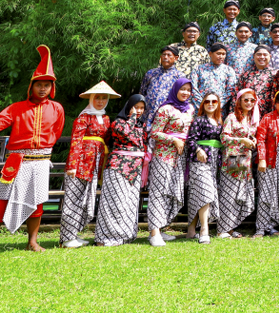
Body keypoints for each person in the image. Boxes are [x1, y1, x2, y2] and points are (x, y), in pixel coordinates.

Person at [0, 46, 65, 255]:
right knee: (1, 201)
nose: (43, 89)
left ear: (52, 88)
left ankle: (32, 242)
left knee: (37, 202)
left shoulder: (57, 108)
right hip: (16, 162)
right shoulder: (16, 108)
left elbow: (56, 132)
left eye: (47, 85)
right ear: (31, 86)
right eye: (39, 85)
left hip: (41, 162)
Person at [59, 81, 118, 248]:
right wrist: (72, 165)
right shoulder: (83, 117)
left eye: (104, 98)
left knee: (85, 199)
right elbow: (76, 141)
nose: (100, 101)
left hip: (95, 164)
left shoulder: (106, 119)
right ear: (91, 99)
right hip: (80, 163)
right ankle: (66, 238)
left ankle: (74, 234)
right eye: (97, 97)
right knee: (73, 198)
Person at [94, 94, 147, 247]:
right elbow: (125, 133)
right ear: (129, 107)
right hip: (118, 167)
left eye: (142, 108)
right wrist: (132, 117)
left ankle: (125, 235)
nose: (139, 111)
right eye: (136, 107)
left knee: (129, 203)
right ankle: (105, 237)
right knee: (114, 202)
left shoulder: (142, 125)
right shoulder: (118, 123)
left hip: (135, 169)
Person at [147, 77, 193, 247]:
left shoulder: (190, 109)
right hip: (163, 155)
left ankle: (161, 227)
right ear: (175, 90)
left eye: (188, 90)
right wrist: (173, 140)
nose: (185, 92)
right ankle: (154, 233)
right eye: (182, 89)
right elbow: (154, 132)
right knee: (159, 191)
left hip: (180, 157)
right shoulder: (165, 109)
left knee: (173, 190)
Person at [215, 87, 259, 238]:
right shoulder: (232, 117)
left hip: (246, 161)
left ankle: (231, 228)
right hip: (233, 159)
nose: (249, 103)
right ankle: (222, 229)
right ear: (239, 101)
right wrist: (241, 140)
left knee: (240, 194)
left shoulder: (251, 118)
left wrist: (252, 140)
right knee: (229, 194)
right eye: (246, 100)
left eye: (252, 100)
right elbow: (224, 138)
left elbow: (249, 135)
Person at [184, 91, 224, 244]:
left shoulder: (219, 121)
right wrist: (198, 150)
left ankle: (191, 230)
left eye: (214, 101)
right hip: (199, 162)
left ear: (218, 104)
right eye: (207, 101)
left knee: (199, 195)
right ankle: (204, 230)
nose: (211, 104)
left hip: (213, 163)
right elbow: (190, 140)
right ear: (203, 104)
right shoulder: (199, 120)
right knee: (206, 193)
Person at [253, 89, 279, 237]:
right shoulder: (268, 118)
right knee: (266, 194)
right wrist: (262, 159)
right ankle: (260, 228)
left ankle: (272, 225)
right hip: (269, 160)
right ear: (275, 102)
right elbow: (260, 139)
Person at [139, 46, 181, 131]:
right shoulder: (151, 73)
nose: (165, 57)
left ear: (176, 58)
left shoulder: (179, 77)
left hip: (164, 117)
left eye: (169, 55)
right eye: (164, 55)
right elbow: (142, 92)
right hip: (146, 114)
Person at [192, 43, 238, 113]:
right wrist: (203, 104)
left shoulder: (229, 70)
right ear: (210, 54)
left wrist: (217, 104)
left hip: (219, 109)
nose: (221, 56)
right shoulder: (199, 69)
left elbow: (230, 90)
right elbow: (193, 88)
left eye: (223, 54)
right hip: (200, 108)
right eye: (218, 54)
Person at [237, 45, 277, 115]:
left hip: (268, 115)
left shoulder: (275, 74)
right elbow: (237, 95)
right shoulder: (246, 75)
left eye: (265, 55)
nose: (262, 57)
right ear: (254, 56)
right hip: (248, 114)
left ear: (270, 56)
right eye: (259, 54)